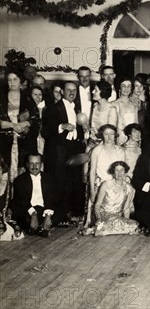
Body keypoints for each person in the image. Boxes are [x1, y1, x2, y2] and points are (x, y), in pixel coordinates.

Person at [42, 81, 86, 221]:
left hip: (73, 149)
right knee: (59, 182)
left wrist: (84, 134)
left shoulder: (77, 108)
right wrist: (61, 126)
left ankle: (71, 213)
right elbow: (45, 131)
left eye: (74, 90)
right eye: (68, 90)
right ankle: (58, 216)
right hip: (58, 150)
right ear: (62, 92)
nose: (71, 92)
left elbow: (78, 130)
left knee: (73, 181)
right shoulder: (52, 108)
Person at [9, 153, 59, 237]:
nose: (34, 166)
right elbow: (22, 200)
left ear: (41, 165)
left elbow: (52, 198)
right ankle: (41, 229)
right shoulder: (20, 180)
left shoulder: (49, 178)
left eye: (37, 163)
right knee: (22, 216)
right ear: (27, 165)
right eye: (31, 163)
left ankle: (38, 228)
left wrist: (48, 215)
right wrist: (33, 215)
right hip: (28, 210)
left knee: (59, 211)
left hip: (44, 209)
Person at [84, 161, 139, 236]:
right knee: (120, 225)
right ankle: (101, 228)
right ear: (113, 172)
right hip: (103, 215)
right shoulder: (106, 184)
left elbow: (126, 209)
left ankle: (99, 230)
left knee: (134, 225)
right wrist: (98, 218)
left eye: (122, 170)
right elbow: (97, 205)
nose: (119, 173)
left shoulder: (129, 188)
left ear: (125, 172)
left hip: (117, 217)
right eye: (117, 170)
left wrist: (126, 222)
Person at [86, 124, 125, 225]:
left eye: (111, 134)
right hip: (99, 184)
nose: (109, 137)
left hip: (115, 184)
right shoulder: (97, 150)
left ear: (115, 135)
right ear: (102, 135)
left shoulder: (120, 150)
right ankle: (91, 220)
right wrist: (92, 191)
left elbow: (122, 171)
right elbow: (92, 171)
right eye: (106, 134)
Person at [1, 71, 31, 184]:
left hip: (23, 142)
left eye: (15, 79)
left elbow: (34, 118)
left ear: (21, 81)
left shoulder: (27, 98)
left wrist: (25, 124)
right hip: (4, 141)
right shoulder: (2, 98)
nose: (12, 82)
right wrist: (13, 126)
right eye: (9, 80)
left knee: (22, 171)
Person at [114, 78, 138, 144]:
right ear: (119, 88)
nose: (126, 89)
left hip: (132, 138)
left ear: (131, 89)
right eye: (123, 86)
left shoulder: (134, 105)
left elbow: (136, 123)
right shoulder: (114, 104)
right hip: (120, 137)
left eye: (129, 86)